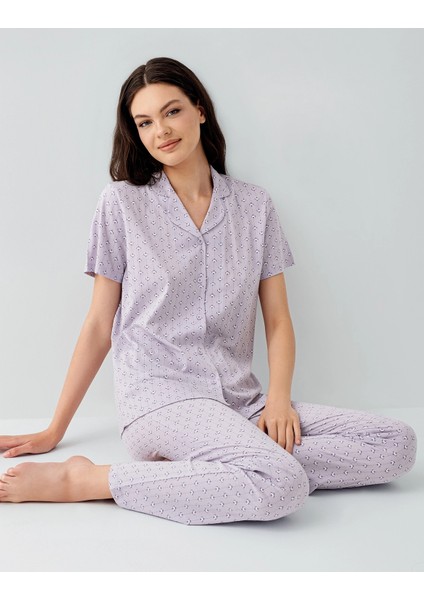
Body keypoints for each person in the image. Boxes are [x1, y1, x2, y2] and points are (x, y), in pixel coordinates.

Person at [0, 57, 417, 525]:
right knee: (280, 484)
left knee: (395, 445)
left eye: (172, 111)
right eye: (145, 122)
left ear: (199, 110)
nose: (161, 130)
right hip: (161, 396)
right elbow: (99, 325)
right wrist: (55, 429)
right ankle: (88, 480)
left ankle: (222, 467)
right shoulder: (121, 203)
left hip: (242, 401)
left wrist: (278, 400)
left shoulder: (255, 206)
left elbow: (278, 319)